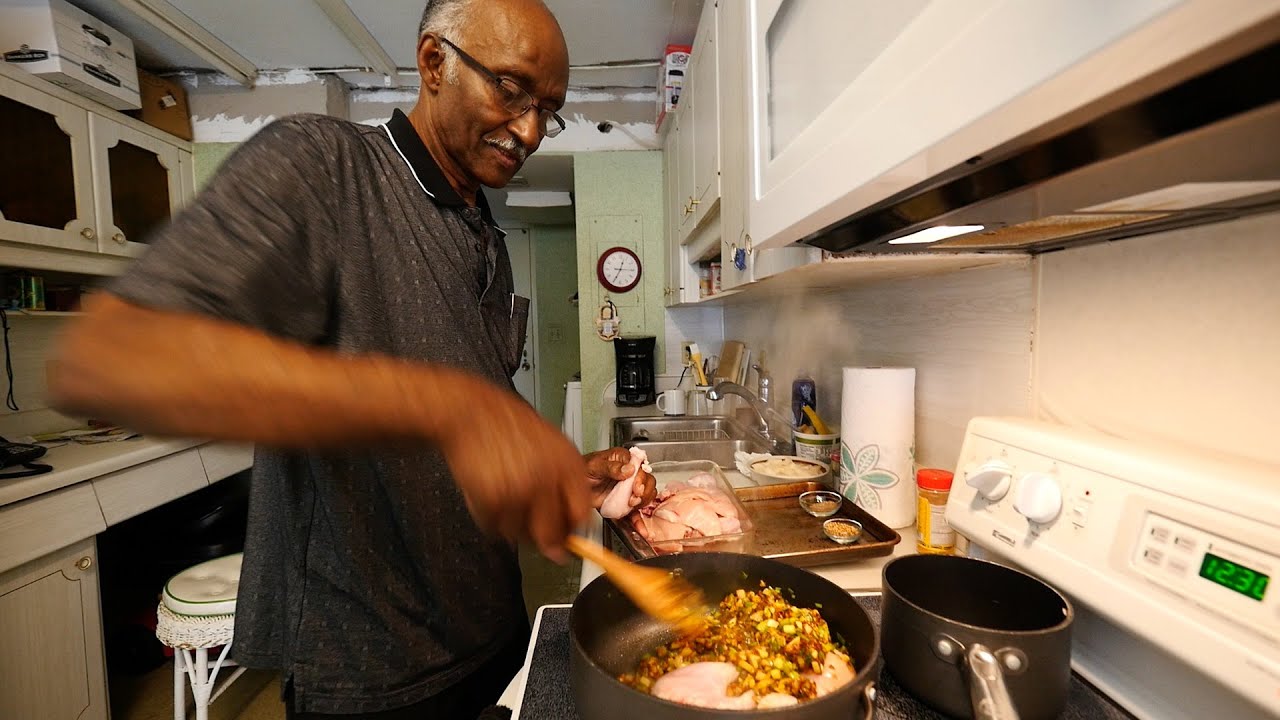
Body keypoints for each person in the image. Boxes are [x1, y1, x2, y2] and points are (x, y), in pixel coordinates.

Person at [47, 0, 655, 717]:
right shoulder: (323, 164)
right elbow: (108, 356)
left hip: (491, 628)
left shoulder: (482, 234)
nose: (527, 130)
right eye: (511, 90)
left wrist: (559, 466)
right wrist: (447, 407)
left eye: (545, 110)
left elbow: (476, 400)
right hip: (369, 669)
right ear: (434, 63)